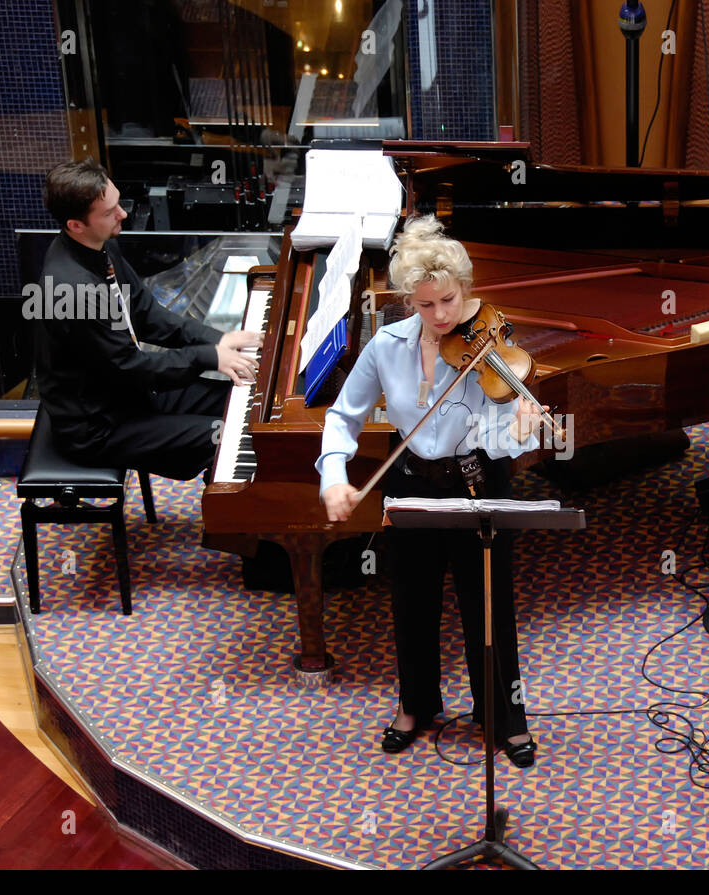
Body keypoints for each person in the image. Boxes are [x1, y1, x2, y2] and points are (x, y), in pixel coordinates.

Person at [316, 216, 547, 767]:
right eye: (424, 306)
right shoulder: (386, 347)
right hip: (411, 482)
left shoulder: (490, 346)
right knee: (410, 601)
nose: (440, 317)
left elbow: (496, 433)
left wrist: (519, 428)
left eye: (447, 300)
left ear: (464, 289)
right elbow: (342, 417)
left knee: (489, 608)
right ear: (407, 302)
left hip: (476, 483)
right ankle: (416, 704)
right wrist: (334, 478)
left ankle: (503, 714)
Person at [34, 158, 262, 480]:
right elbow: (132, 369)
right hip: (100, 425)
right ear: (76, 225)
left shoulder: (99, 246)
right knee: (229, 435)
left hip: (129, 395)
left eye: (118, 203)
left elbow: (147, 314)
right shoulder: (74, 293)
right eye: (110, 211)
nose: (123, 213)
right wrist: (208, 357)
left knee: (244, 400)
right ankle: (233, 523)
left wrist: (215, 339)